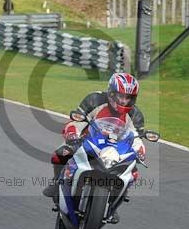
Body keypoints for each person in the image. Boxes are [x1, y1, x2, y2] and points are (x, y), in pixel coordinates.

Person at [42, 72, 146, 211]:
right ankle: (57, 182)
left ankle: (113, 205)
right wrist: (73, 134)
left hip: (116, 150)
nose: (123, 101)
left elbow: (136, 139)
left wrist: (140, 152)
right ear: (112, 93)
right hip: (86, 141)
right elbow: (77, 120)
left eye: (128, 98)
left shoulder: (135, 115)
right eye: (121, 96)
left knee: (133, 172)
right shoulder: (94, 100)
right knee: (60, 154)